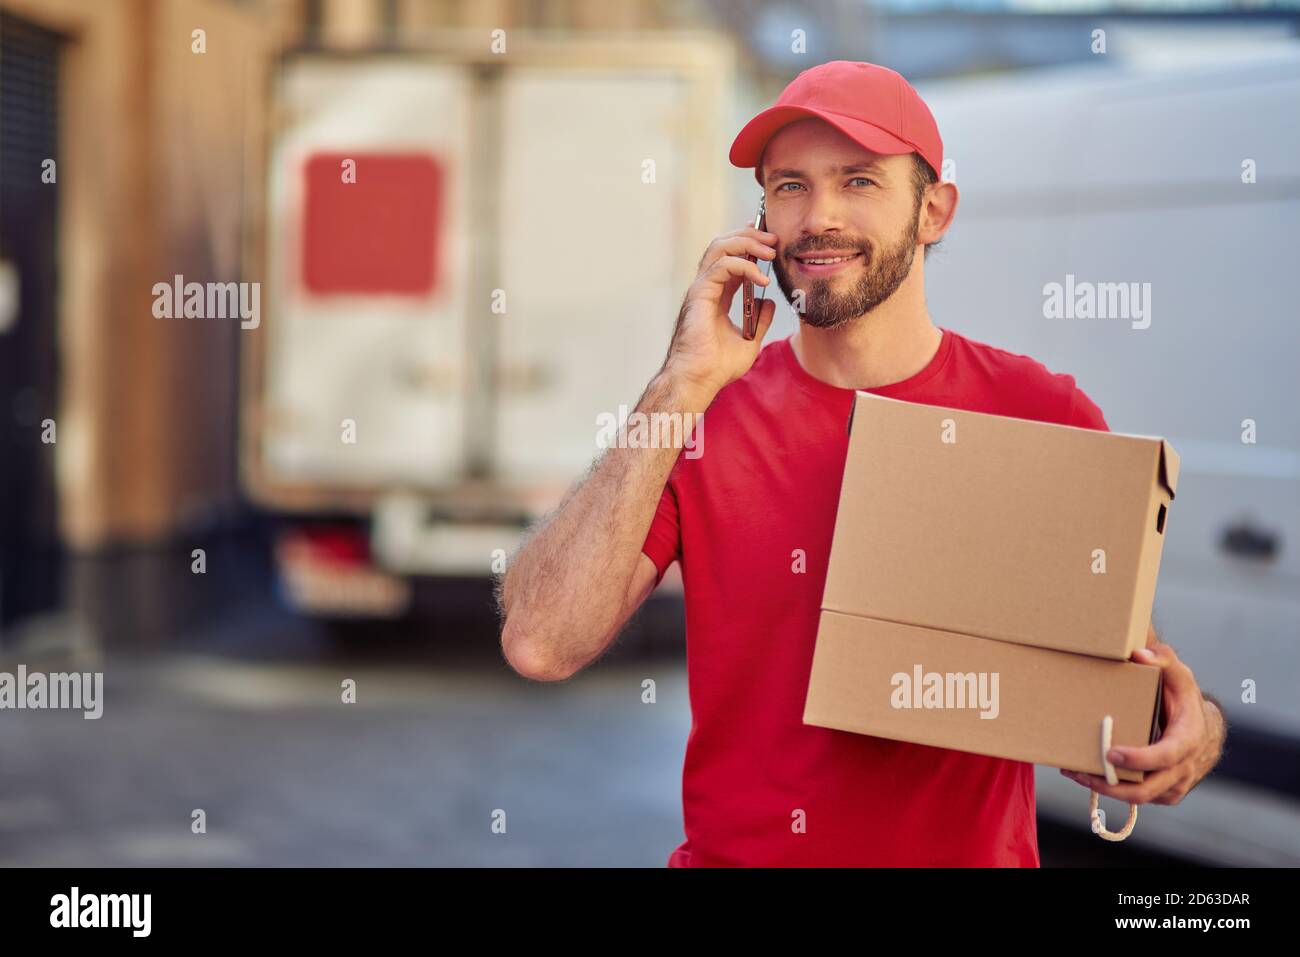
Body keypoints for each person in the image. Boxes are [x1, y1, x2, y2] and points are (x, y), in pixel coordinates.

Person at [496, 60, 1226, 867]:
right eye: (790, 187)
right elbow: (542, 641)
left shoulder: (1039, 413)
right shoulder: (701, 419)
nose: (819, 218)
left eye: (859, 181)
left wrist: (1193, 734)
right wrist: (679, 382)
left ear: (934, 211)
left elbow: (1129, 671)